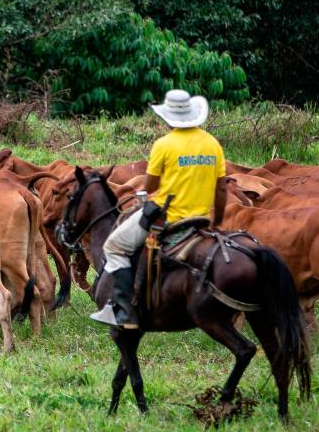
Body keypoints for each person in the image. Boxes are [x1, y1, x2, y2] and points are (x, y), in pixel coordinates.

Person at [90, 89, 227, 328]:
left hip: (168, 218)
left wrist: (146, 189)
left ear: (168, 117)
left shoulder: (164, 144)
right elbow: (222, 190)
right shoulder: (212, 143)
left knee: (114, 245)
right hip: (201, 219)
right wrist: (218, 221)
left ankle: (123, 310)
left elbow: (150, 185)